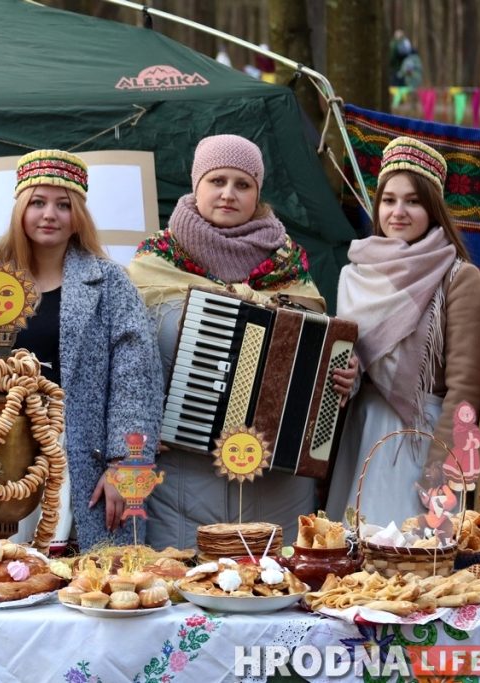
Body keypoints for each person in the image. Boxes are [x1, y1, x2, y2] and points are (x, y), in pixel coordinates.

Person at [0, 149, 161, 551]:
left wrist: (127, 465)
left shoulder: (110, 284)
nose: (49, 214)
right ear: (20, 209)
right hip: (3, 457)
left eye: (63, 205)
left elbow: (136, 381)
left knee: (91, 577)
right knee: (0, 570)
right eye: (38, 202)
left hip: (83, 458)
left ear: (78, 215)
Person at [128, 134, 326, 550]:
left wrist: (343, 376)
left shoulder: (289, 265)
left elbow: (320, 353)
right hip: (180, 480)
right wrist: (139, 423)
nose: (228, 194)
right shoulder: (152, 263)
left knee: (278, 582)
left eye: (243, 184)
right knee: (183, 582)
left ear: (258, 193)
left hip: (277, 484)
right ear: (196, 186)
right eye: (217, 180)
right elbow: (123, 362)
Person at [326, 137, 480, 526]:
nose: (398, 212)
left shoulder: (458, 277)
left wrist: (441, 465)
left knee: (404, 549)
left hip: (420, 440)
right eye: (389, 200)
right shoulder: (356, 275)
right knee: (351, 549)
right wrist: (349, 376)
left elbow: (467, 385)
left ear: (433, 209)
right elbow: (355, 358)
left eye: (413, 201)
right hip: (360, 435)